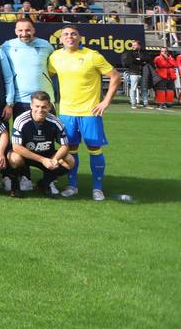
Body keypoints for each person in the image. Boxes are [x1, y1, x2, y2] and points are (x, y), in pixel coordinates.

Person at [47, 25, 122, 201]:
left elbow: (115, 76)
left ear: (79, 37)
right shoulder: (55, 57)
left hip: (90, 112)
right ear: (60, 39)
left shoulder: (92, 56)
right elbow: (45, 75)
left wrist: (106, 101)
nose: (69, 37)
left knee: (94, 148)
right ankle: (72, 186)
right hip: (66, 112)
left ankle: (97, 188)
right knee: (69, 150)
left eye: (73, 34)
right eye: (65, 34)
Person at [8, 91, 75, 197]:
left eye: (43, 107)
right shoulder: (21, 120)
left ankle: (44, 184)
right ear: (31, 105)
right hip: (26, 156)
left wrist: (54, 159)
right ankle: (15, 187)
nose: (40, 110)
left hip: (48, 155)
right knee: (14, 158)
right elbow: (16, 147)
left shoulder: (55, 121)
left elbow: (65, 146)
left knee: (70, 160)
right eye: (37, 106)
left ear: (49, 107)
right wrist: (42, 160)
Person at [1, 18, 54, 116]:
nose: (24, 33)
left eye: (28, 30)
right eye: (20, 30)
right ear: (16, 31)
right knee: (23, 130)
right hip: (21, 100)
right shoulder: (7, 46)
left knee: (49, 130)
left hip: (45, 99)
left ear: (34, 30)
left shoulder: (46, 45)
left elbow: (55, 65)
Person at [121, 39, 148, 109]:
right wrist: (141, 62)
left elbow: (147, 59)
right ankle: (133, 103)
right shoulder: (130, 53)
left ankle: (145, 103)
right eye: (132, 45)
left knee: (144, 89)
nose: (133, 46)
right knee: (133, 88)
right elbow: (132, 61)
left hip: (142, 73)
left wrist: (139, 61)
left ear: (139, 45)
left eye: (135, 45)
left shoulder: (144, 52)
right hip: (133, 73)